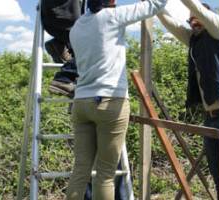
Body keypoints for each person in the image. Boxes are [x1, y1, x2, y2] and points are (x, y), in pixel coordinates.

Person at [65, 0, 168, 199]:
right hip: (110, 100)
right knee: (105, 174)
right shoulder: (112, 17)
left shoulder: (77, 26)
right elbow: (155, 4)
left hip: (81, 102)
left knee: (80, 170)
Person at [157, 1, 219, 199]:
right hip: (211, 116)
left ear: (207, 17)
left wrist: (192, 7)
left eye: (196, 17)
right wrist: (153, 4)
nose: (193, 22)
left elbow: (199, 10)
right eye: (190, 19)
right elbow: (171, 24)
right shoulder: (195, 39)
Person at [40, 0, 82, 97]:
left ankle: (60, 46)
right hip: (68, 18)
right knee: (93, 47)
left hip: (50, 18)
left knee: (79, 46)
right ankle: (64, 78)